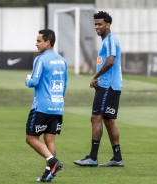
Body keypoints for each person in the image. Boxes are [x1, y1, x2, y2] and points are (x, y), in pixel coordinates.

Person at [73, 11, 124, 167]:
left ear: (108, 25)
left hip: (107, 86)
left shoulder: (109, 40)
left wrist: (95, 77)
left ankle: (93, 158)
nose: (97, 27)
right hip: (112, 85)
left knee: (95, 118)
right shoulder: (108, 40)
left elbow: (110, 61)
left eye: (100, 24)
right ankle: (117, 158)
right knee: (109, 121)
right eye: (95, 24)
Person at [25, 29, 68, 182]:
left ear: (47, 42)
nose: (36, 44)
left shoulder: (40, 59)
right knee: (50, 140)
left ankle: (52, 161)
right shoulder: (62, 61)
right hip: (57, 106)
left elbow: (34, 82)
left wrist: (27, 80)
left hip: (42, 107)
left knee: (30, 138)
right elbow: (64, 85)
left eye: (39, 41)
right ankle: (48, 174)